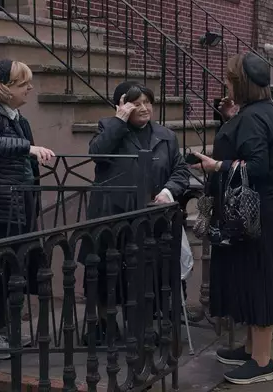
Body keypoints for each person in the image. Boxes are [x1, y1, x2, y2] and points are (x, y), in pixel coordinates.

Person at [191, 52, 273, 385]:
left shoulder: (253, 117)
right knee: (251, 278)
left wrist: (216, 166)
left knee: (259, 280)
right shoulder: (264, 111)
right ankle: (252, 350)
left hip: (254, 215)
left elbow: (258, 166)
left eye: (229, 78)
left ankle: (262, 361)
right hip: (262, 211)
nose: (225, 82)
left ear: (240, 83)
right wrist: (229, 118)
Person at [84, 81, 189, 341]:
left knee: (146, 273)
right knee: (106, 272)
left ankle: (144, 327)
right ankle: (106, 326)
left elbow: (180, 171)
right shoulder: (108, 128)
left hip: (150, 217)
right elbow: (97, 154)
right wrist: (118, 122)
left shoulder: (166, 136)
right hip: (111, 214)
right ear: (121, 105)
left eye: (147, 102)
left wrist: (168, 191)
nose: (144, 108)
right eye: (136, 102)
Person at [0, 59, 54, 358]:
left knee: (7, 270)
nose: (30, 88)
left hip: (13, 204)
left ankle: (1, 329)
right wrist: (26, 147)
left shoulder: (14, 116)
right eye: (23, 83)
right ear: (5, 87)